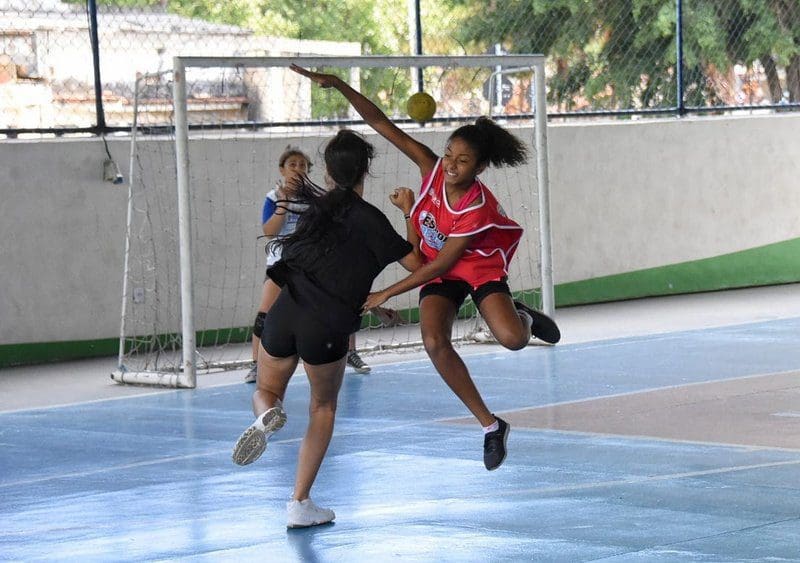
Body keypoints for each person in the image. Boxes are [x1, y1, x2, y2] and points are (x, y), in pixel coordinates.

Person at [290, 64, 561, 472]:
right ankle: (491, 426)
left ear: (479, 168)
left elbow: (449, 263)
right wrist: (341, 85)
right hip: (439, 268)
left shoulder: (476, 207)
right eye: (449, 154)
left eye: (462, 160)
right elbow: (381, 123)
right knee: (434, 342)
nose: (451, 164)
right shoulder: (431, 168)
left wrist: (386, 292)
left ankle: (522, 315)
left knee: (512, 339)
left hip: (476, 268)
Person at [232, 130, 422, 528]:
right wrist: (409, 211)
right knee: (322, 407)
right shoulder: (371, 218)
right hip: (328, 325)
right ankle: (299, 503)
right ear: (365, 169)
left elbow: (315, 264)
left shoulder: (313, 210)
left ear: (329, 171)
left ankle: (267, 415)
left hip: (285, 313)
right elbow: (418, 266)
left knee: (267, 390)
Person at [245, 147, 373, 383]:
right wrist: (284, 203)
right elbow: (269, 232)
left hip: (311, 266)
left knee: (340, 304)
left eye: (302, 165)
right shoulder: (273, 197)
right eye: (292, 164)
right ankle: (256, 363)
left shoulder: (315, 199)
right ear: (282, 169)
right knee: (265, 313)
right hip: (281, 265)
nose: (298, 169)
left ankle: (351, 352)